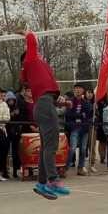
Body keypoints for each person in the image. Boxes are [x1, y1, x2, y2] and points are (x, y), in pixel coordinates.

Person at [18, 29, 69, 199]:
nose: (38, 53)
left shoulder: (34, 68)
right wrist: (26, 33)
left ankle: (41, 183)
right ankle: (52, 180)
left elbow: (45, 91)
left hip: (45, 104)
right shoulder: (31, 61)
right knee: (51, 145)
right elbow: (32, 41)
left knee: (46, 146)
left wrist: (62, 102)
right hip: (44, 105)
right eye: (35, 52)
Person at [65, 83, 92, 176]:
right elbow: (68, 114)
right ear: (73, 90)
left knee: (83, 149)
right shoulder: (69, 102)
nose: (77, 90)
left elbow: (88, 114)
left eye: (79, 88)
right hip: (74, 128)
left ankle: (80, 168)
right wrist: (80, 115)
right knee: (72, 148)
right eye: (76, 88)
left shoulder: (86, 103)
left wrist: (79, 116)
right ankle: (65, 168)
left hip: (84, 128)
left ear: (83, 90)